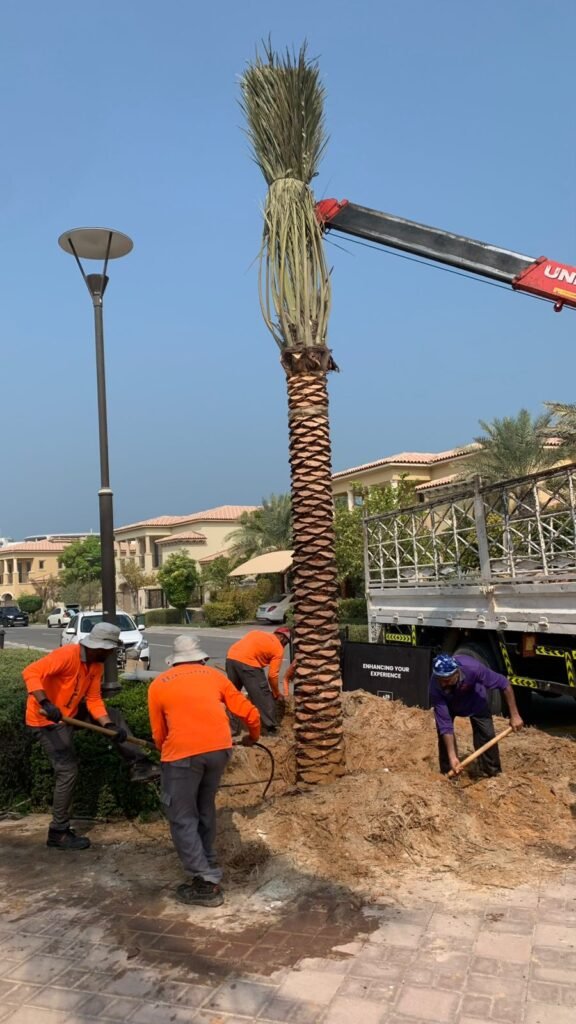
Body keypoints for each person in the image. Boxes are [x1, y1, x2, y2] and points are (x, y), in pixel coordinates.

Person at [23, 623, 159, 851]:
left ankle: (139, 764)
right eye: (110, 650)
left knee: (114, 716)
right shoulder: (67, 655)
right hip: (46, 720)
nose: (112, 653)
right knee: (67, 770)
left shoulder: (95, 665)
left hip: (71, 712)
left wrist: (108, 726)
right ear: (99, 647)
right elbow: (31, 672)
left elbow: (94, 700)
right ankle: (58, 832)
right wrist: (45, 702)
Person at [148, 635, 261, 908]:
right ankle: (208, 861)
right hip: (219, 752)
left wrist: (169, 754)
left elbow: (158, 734)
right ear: (201, 658)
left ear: (174, 661)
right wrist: (252, 737)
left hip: (182, 756)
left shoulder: (158, 685)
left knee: (182, 815)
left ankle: (205, 881)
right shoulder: (215, 677)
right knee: (204, 806)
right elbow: (250, 713)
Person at [430, 652, 524, 777]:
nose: (443, 684)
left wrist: (515, 714)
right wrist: (453, 757)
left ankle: (492, 773)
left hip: (475, 701)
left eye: (447, 680)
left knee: (487, 734)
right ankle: (449, 773)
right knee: (444, 737)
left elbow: (504, 684)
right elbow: (445, 726)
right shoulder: (435, 687)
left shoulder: (472, 668)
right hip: (449, 704)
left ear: (457, 673)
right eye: (440, 680)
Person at [225, 627, 291, 734]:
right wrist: (276, 693)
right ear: (283, 638)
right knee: (263, 695)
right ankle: (270, 729)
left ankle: (231, 730)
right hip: (249, 664)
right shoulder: (278, 648)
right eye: (286, 643)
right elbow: (272, 676)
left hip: (231, 658)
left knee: (233, 695)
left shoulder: (256, 632)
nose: (285, 646)